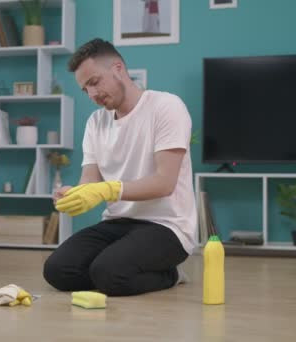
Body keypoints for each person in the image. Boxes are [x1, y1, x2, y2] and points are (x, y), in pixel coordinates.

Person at [43, 38, 197, 296]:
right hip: (118, 222)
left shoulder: (166, 107)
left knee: (109, 274)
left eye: (94, 82)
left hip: (168, 227)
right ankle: (115, 270)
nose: (92, 95)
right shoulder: (95, 122)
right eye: (85, 90)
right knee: (57, 270)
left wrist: (108, 190)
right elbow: (90, 179)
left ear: (118, 68)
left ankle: (172, 274)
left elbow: (164, 182)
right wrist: (75, 193)